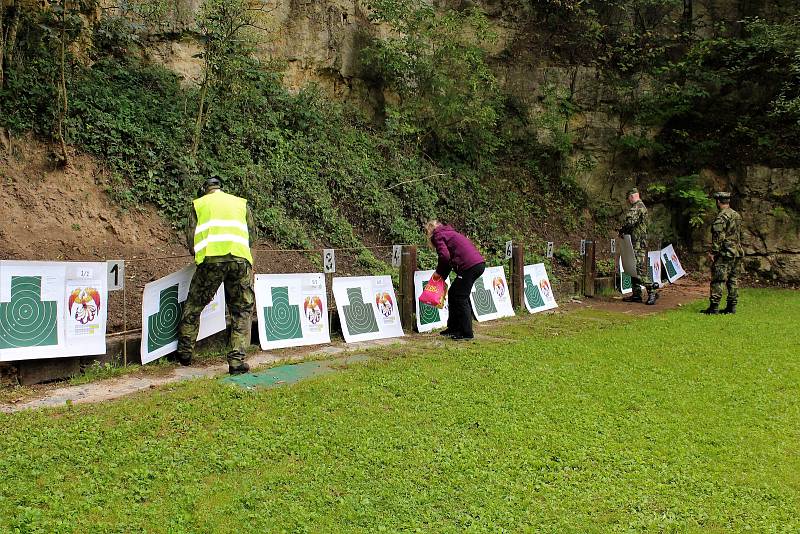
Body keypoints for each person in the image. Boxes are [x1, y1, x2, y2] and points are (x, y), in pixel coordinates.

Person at [177, 177, 256, 375]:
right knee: (241, 310)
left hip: (211, 261)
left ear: (205, 190)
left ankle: (185, 354)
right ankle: (237, 361)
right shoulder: (240, 203)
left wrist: (198, 256)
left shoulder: (199, 204)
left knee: (194, 305)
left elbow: (191, 238)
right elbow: (252, 236)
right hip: (239, 260)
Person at [425, 220, 486, 341]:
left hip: (469, 266)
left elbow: (445, 257)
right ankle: (453, 328)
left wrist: (439, 274)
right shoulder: (449, 233)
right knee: (454, 294)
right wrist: (442, 275)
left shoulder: (438, 236)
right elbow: (448, 260)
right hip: (477, 264)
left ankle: (466, 333)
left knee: (460, 297)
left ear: (430, 232)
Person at [702, 192, 743, 315]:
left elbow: (719, 236)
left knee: (718, 280)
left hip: (725, 253)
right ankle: (732, 307)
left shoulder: (721, 217)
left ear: (718, 201)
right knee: (733, 279)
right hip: (737, 252)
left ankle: (714, 307)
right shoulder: (736, 215)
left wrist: (714, 253)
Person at [619, 187, 659, 305]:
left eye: (629, 198)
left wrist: (622, 230)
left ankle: (652, 290)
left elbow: (630, 222)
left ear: (632, 197)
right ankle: (637, 294)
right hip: (635, 242)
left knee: (638, 268)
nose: (629, 201)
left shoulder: (637, 207)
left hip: (638, 243)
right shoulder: (641, 207)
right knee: (632, 267)